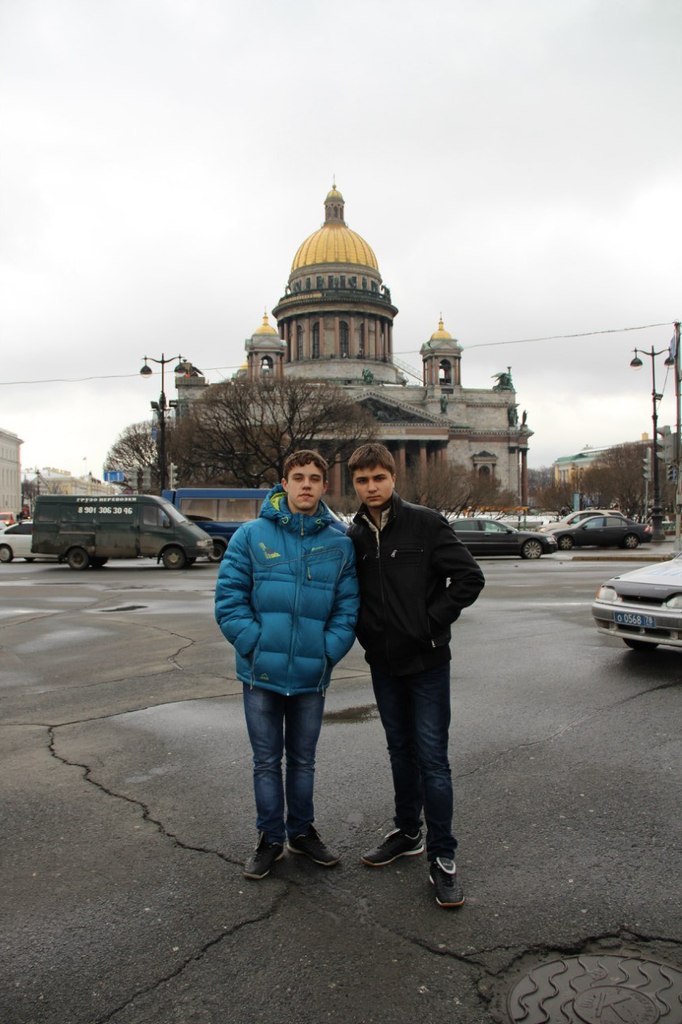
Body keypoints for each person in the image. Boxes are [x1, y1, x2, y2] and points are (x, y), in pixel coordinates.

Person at [347, 443, 485, 908]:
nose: (371, 487)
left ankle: (443, 857)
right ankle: (408, 832)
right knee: (399, 751)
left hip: (426, 662)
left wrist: (430, 623)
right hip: (383, 662)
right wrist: (369, 634)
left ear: (393, 477)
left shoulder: (425, 523)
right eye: (362, 480)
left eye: (378, 478)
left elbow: (469, 578)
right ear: (355, 484)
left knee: (432, 759)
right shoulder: (357, 533)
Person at [215, 450, 359, 880]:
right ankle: (269, 838)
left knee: (303, 761)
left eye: (315, 478)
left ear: (325, 486)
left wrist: (326, 651)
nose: (307, 485)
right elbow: (229, 600)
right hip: (261, 673)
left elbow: (348, 609)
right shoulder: (251, 535)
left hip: (311, 674)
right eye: (299, 477)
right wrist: (254, 645)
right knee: (265, 762)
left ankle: (301, 832)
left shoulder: (339, 542)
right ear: (284, 482)